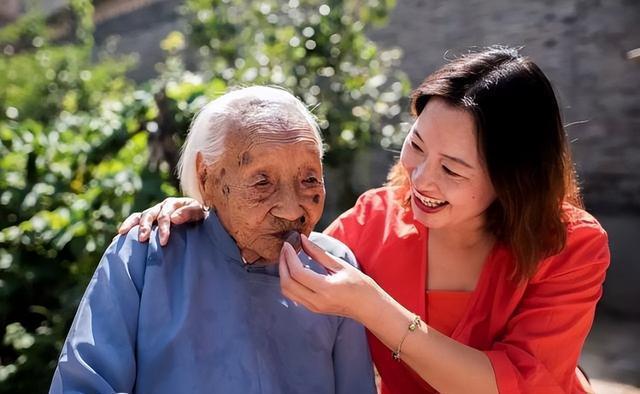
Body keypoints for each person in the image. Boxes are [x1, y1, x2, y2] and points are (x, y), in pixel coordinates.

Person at [120, 47, 610, 393]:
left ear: (515, 179)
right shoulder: (377, 217)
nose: (421, 178)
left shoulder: (570, 245)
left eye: (452, 169)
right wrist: (203, 215)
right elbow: (275, 262)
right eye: (416, 145)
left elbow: (518, 386)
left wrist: (372, 307)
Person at [50, 86, 376, 394]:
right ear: (207, 177)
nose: (292, 209)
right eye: (262, 182)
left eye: (309, 180)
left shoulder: (334, 268)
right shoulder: (146, 256)